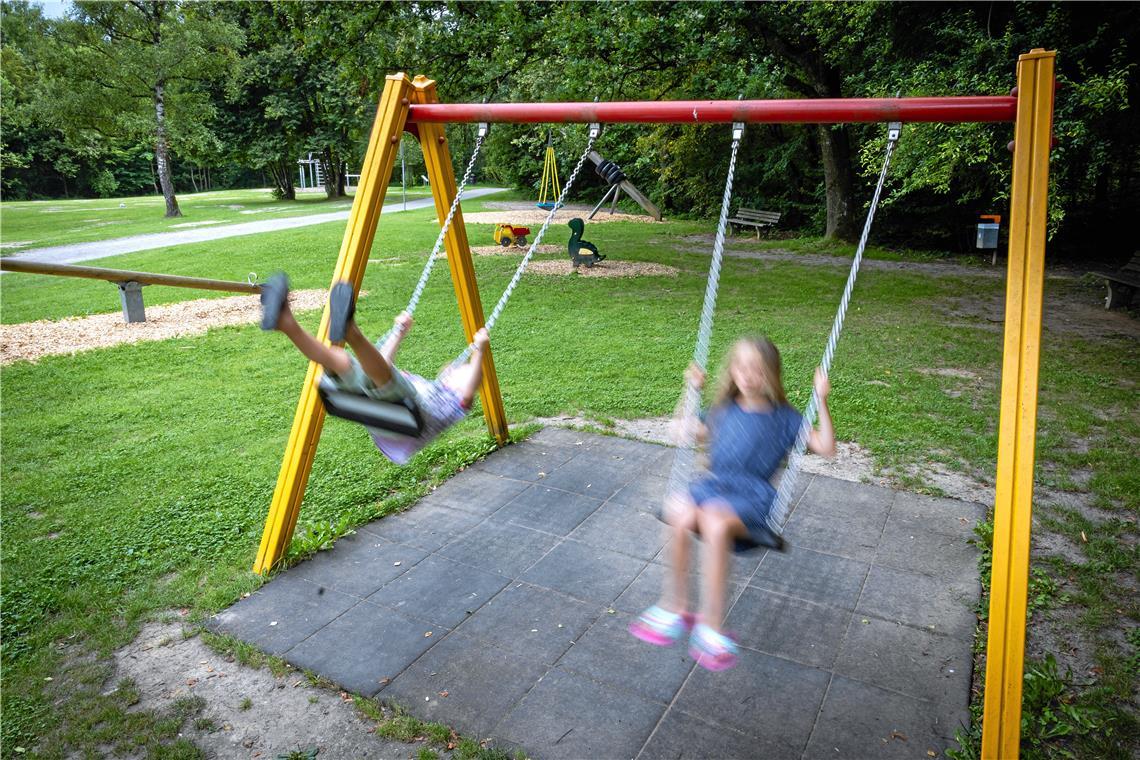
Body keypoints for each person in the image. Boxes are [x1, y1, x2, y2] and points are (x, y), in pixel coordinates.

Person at [630, 336, 836, 671]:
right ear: (732, 370)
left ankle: (711, 625)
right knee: (678, 509)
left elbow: (826, 447)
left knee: (714, 521)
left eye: (757, 369)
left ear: (771, 374)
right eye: (741, 366)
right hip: (714, 486)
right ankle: (675, 606)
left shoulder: (785, 418)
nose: (747, 375)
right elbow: (679, 430)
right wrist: (691, 390)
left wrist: (821, 400)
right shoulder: (722, 411)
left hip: (752, 497)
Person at [259, 273, 489, 464]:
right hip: (378, 413)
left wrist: (479, 352)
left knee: (389, 381)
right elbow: (382, 365)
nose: (466, 372)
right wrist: (398, 333)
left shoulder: (457, 404)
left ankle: (350, 331)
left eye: (468, 373)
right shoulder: (427, 386)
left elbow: (470, 388)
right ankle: (286, 323)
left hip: (403, 423)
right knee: (340, 361)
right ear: (447, 375)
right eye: (462, 370)